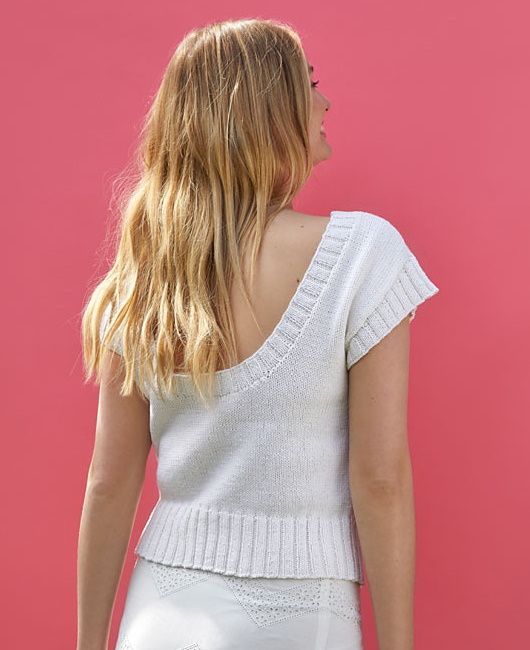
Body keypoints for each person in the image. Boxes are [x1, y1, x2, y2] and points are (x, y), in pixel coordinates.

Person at [77, 17, 440, 650]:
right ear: (268, 110)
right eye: (311, 85)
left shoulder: (147, 278)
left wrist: (87, 643)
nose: (327, 103)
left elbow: (109, 484)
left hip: (158, 611)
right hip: (304, 616)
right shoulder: (363, 255)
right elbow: (380, 481)